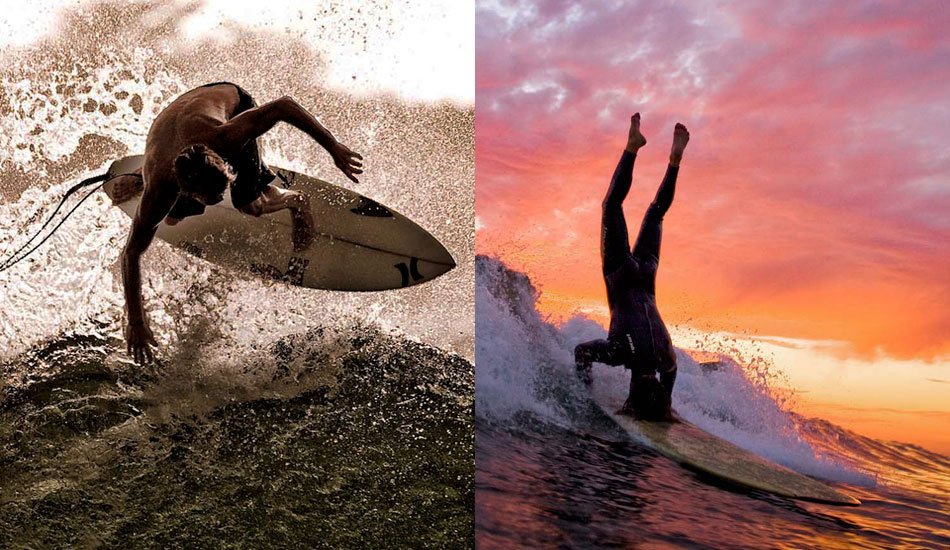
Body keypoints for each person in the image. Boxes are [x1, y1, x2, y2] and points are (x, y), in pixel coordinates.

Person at [107, 82, 363, 366]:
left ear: (222, 164)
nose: (218, 201)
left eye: (221, 190)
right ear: (186, 189)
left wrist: (333, 147)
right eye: (210, 198)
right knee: (171, 217)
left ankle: (294, 201)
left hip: (229, 102)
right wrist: (135, 322)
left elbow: (283, 106)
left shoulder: (228, 137)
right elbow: (131, 253)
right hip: (173, 127)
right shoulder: (161, 188)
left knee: (250, 206)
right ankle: (139, 177)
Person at [574, 113, 689, 420]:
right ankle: (632, 147)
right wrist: (585, 394)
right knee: (611, 205)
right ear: (632, 393)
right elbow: (582, 352)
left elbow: (669, 378)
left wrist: (667, 402)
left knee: (656, 213)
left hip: (646, 276)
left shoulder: (667, 359)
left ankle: (674, 161)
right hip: (621, 276)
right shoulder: (621, 353)